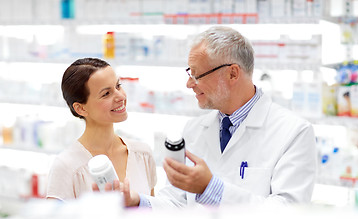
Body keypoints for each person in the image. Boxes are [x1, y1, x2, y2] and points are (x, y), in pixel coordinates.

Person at [104, 26, 317, 208]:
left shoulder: (294, 132)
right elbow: (177, 202)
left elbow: (287, 214)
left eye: (197, 75)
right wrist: (137, 201)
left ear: (232, 73)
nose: (189, 84)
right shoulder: (194, 130)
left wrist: (211, 189)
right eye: (189, 73)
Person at [46, 58, 157, 201]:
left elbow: (153, 214)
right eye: (106, 94)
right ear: (81, 108)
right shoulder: (67, 166)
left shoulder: (143, 154)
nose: (121, 96)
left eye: (118, 86)